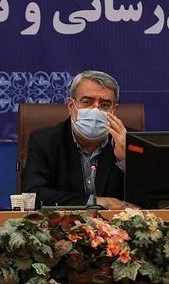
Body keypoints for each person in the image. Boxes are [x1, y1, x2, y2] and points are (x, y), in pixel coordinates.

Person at [21, 70, 139, 210]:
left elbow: (152, 201)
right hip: (63, 223)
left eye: (104, 104)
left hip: (119, 223)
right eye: (87, 102)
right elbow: (32, 195)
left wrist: (126, 161)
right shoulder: (45, 142)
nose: (95, 110)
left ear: (114, 111)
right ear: (71, 106)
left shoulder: (133, 142)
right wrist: (94, 202)